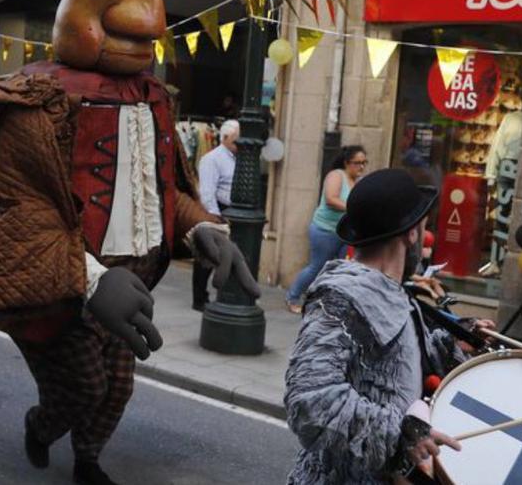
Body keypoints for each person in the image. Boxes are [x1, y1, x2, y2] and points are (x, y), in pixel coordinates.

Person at [0, 0, 259, 481]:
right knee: (82, 386)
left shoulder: (154, 98)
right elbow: (22, 209)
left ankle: (87, 461)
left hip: (134, 281)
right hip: (63, 286)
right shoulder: (37, 100)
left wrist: (202, 231)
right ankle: (40, 425)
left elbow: (168, 190)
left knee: (118, 387)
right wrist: (93, 278)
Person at [283, 168, 497, 484]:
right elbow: (311, 399)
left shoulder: (393, 290)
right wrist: (400, 436)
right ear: (411, 234)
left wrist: (455, 341)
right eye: (423, 227)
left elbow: (400, 355)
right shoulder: (342, 297)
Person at [286, 145, 368, 313]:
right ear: (346, 163)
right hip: (325, 230)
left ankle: (331, 302)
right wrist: (353, 208)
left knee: (341, 269)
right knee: (317, 266)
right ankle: (292, 297)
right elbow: (331, 198)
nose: (361, 166)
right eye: (357, 163)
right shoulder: (336, 175)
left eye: (364, 163)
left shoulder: (359, 182)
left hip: (346, 232)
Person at [193, 119, 238, 311]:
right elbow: (207, 191)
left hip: (232, 210)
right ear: (226, 138)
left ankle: (226, 293)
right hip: (217, 210)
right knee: (208, 255)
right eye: (236, 140)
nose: (239, 145)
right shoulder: (212, 159)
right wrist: (215, 217)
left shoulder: (237, 158)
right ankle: (199, 297)